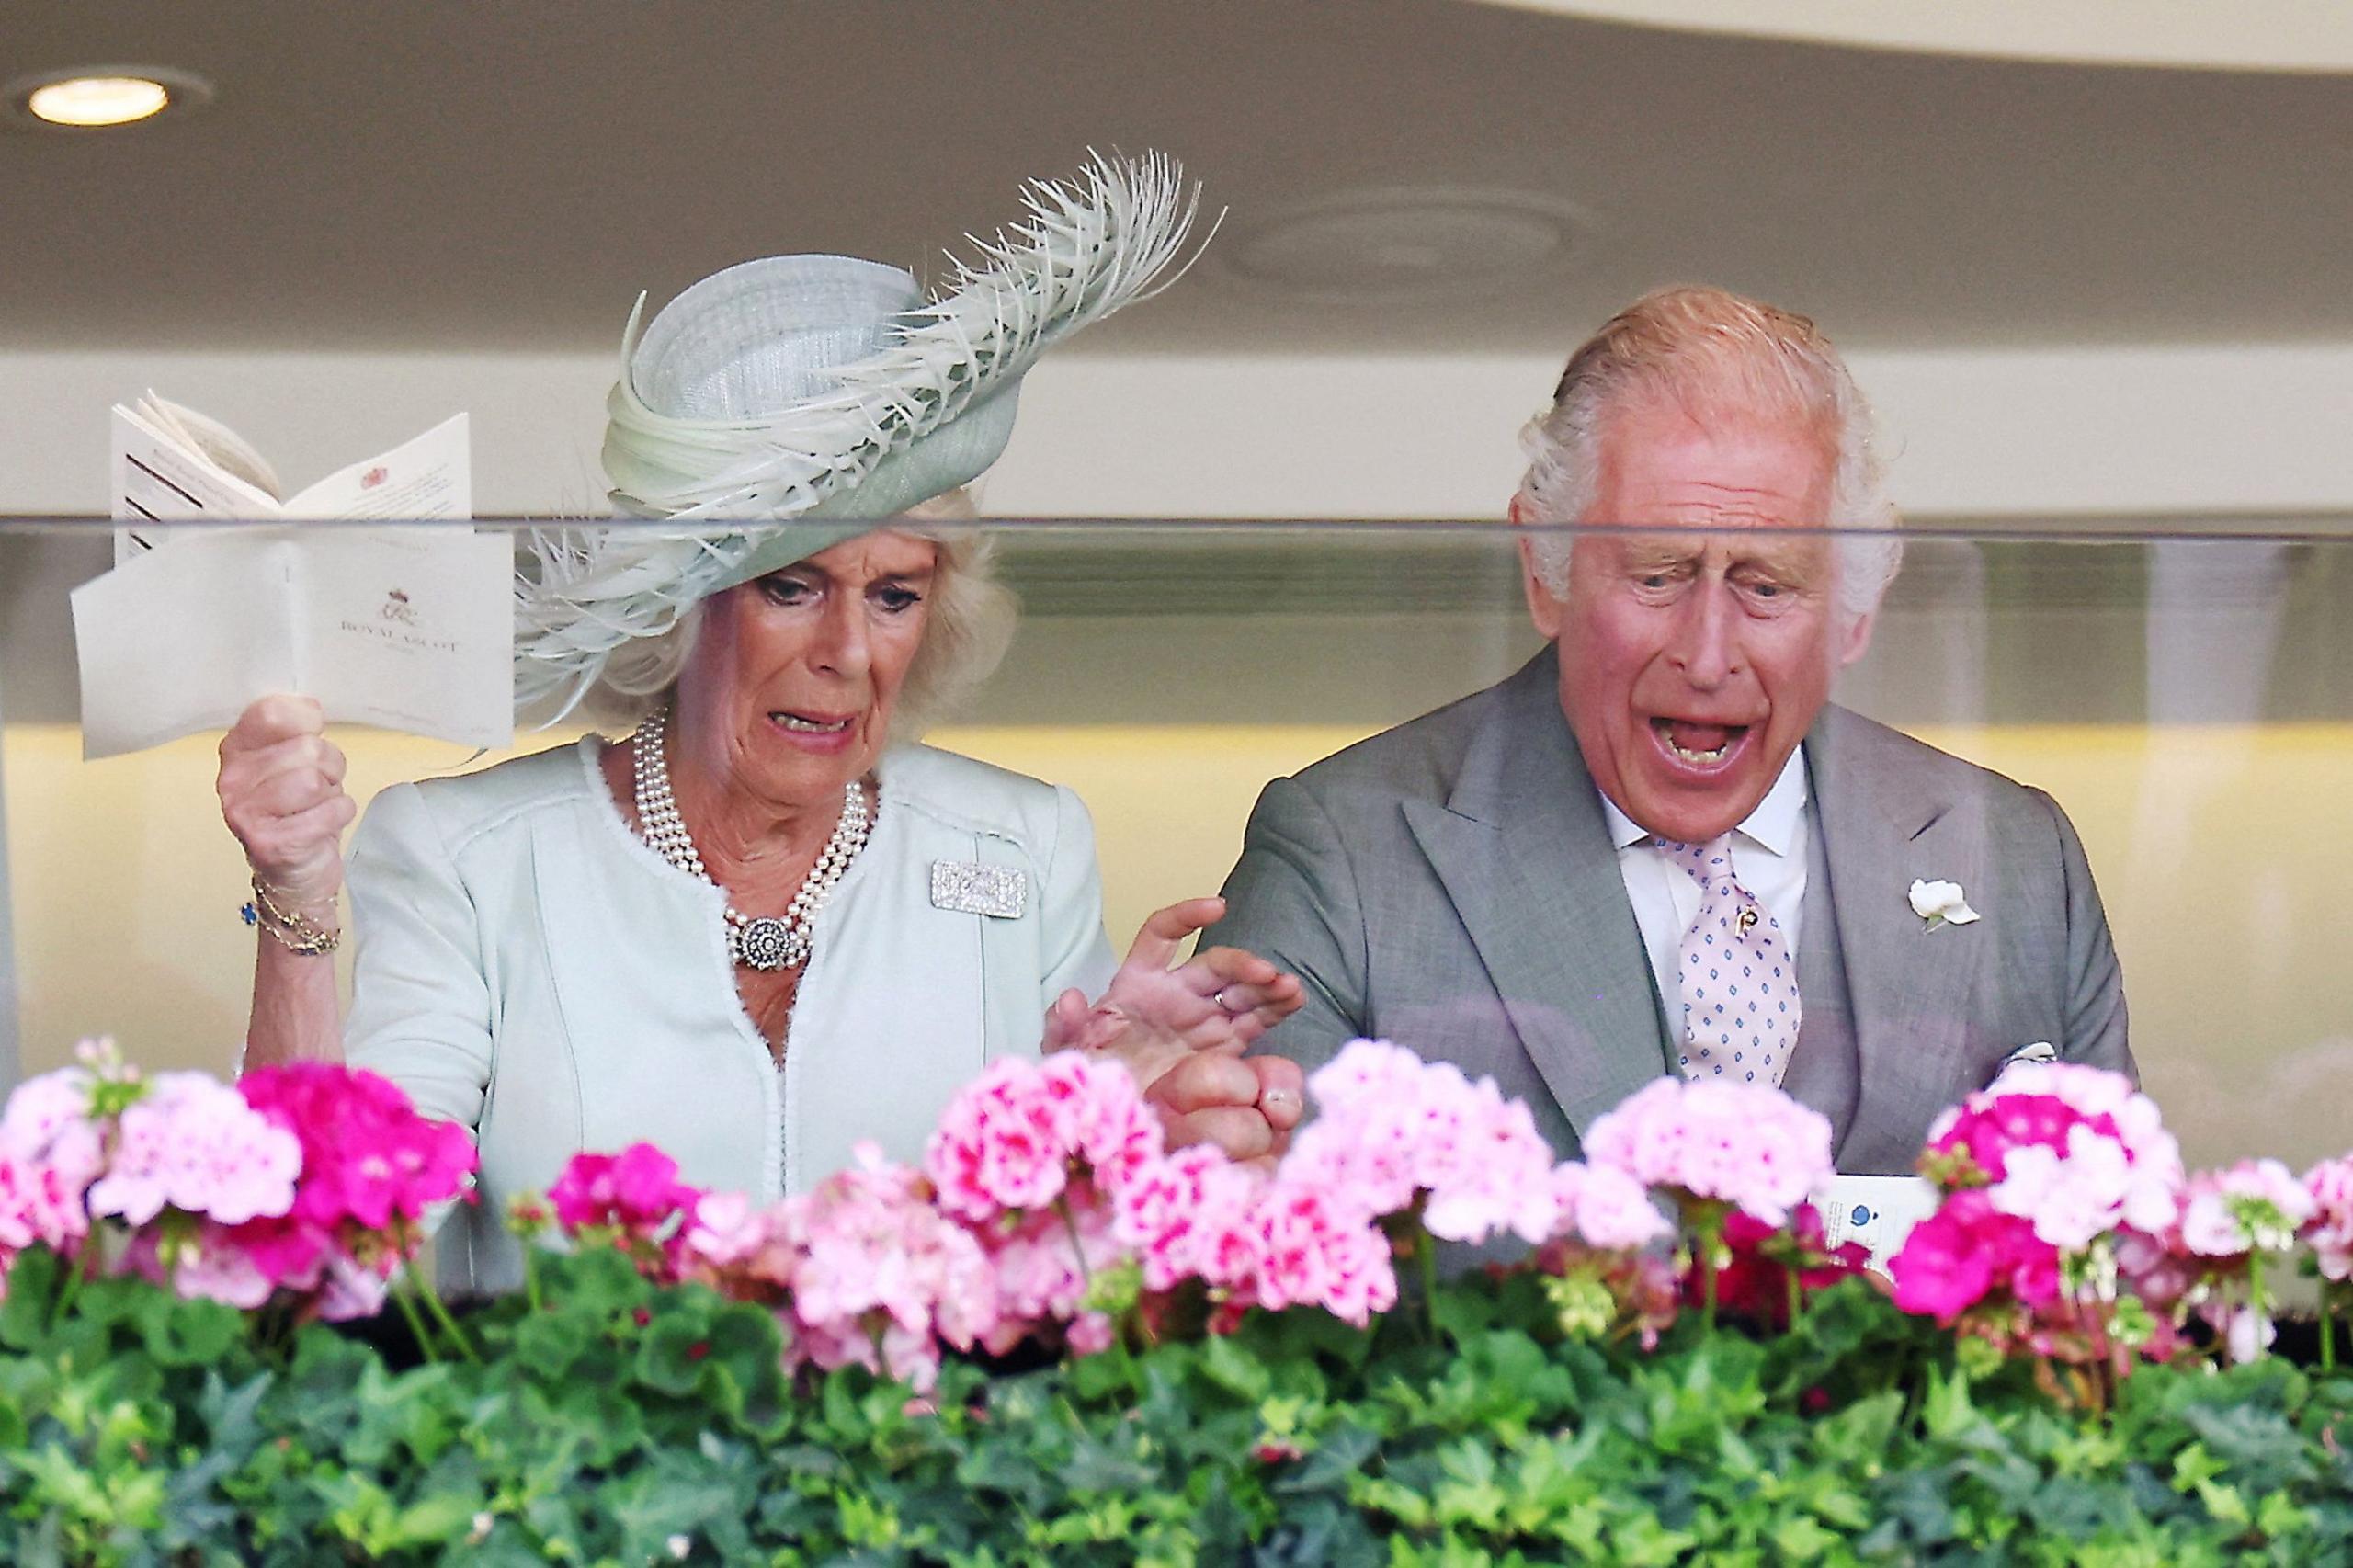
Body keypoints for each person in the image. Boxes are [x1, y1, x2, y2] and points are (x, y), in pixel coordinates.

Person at [215, 155, 1303, 1290]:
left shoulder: (1019, 846)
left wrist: (1117, 1136)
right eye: (791, 585)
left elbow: (1058, 1281)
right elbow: (333, 1259)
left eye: (894, 594)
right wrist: (295, 894)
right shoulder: (472, 856)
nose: (845, 649)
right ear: (680, 605)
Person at [1210, 285, 2131, 1176]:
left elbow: (2111, 1280)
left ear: (1853, 609)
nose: (1706, 652)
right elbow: (1259, 1274)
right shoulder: (1341, 851)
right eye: (1658, 573)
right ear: (1544, 566)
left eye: (1765, 585)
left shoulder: (2014, 857)